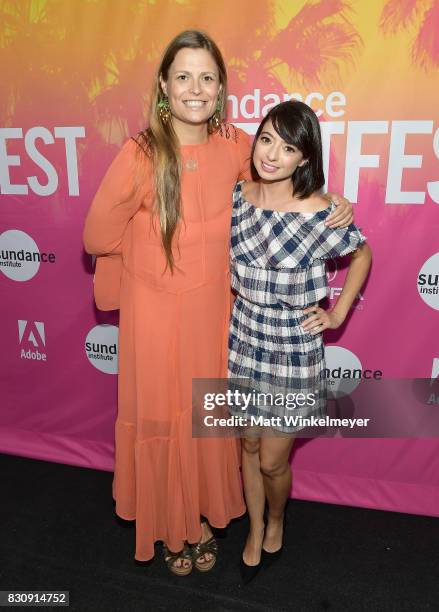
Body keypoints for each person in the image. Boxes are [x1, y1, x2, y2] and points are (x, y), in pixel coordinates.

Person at [83, 30, 354, 576]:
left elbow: (274, 190)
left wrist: (332, 201)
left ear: (221, 87)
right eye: (183, 76)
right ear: (164, 84)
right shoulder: (139, 153)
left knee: (206, 424)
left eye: (207, 77)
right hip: (156, 316)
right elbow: (96, 238)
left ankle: (202, 519)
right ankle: (169, 529)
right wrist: (150, 261)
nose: (195, 88)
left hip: (217, 316)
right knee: (165, 420)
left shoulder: (234, 144)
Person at [228, 100, 372, 583]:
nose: (271, 154)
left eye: (288, 147)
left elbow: (362, 253)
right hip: (245, 336)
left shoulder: (320, 214)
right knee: (247, 445)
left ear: (304, 158)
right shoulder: (237, 197)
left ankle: (276, 516)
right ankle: (253, 527)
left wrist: (337, 312)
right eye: (266, 139)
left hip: (293, 345)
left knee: (272, 461)